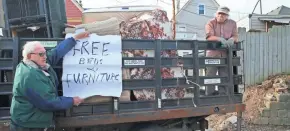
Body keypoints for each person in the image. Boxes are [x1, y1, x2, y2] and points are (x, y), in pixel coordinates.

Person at [10, 31, 90, 131]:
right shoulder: (29, 75)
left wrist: (74, 38)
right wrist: (72, 101)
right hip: (29, 125)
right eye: (41, 54)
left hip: (32, 120)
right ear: (30, 56)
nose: (45, 56)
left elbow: (56, 52)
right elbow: (48, 102)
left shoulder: (35, 63)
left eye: (44, 53)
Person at [204, 6, 238, 96]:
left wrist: (232, 39)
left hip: (225, 54)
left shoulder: (233, 23)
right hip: (212, 54)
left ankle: (223, 94)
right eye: (219, 13)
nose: (220, 16)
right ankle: (209, 95)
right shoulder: (210, 23)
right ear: (216, 14)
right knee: (210, 75)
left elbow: (235, 36)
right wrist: (219, 39)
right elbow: (209, 37)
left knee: (224, 75)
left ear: (227, 16)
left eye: (223, 14)